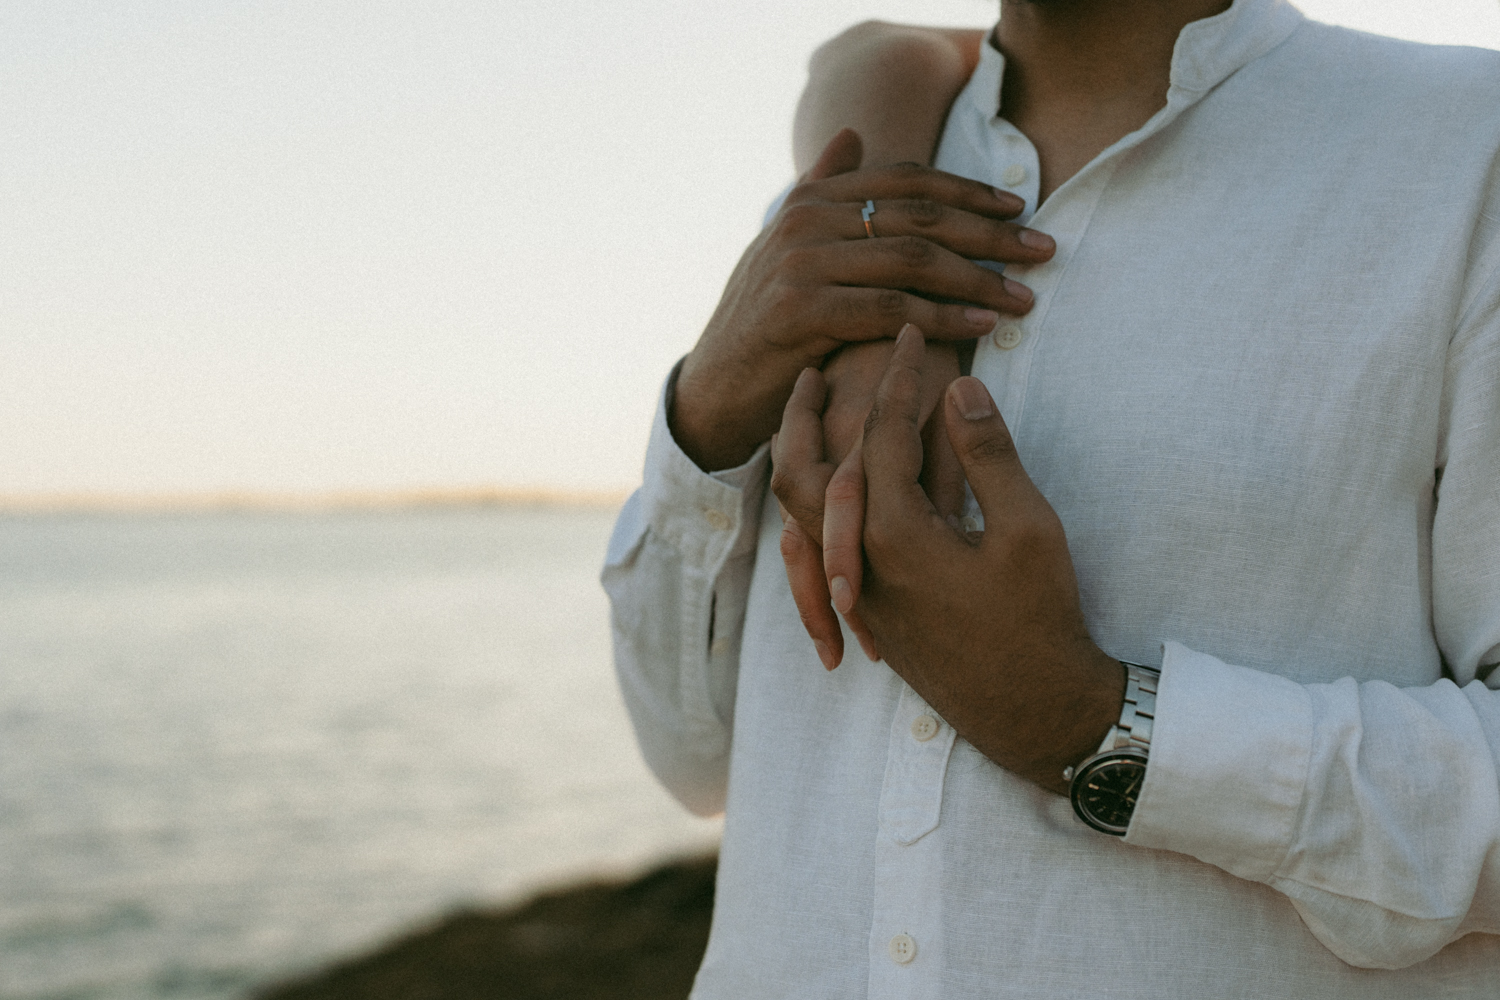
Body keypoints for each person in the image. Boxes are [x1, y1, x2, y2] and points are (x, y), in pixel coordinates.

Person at [602, 1, 1500, 996]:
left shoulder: (1464, 153)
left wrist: (1096, 727)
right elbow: (688, 756)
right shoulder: (831, 210)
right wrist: (710, 405)